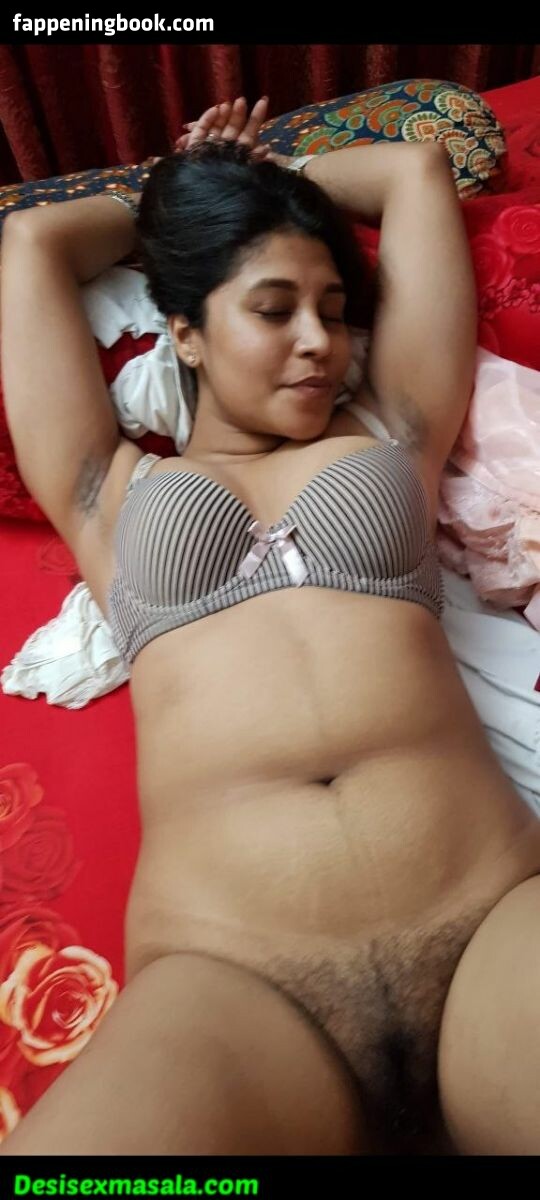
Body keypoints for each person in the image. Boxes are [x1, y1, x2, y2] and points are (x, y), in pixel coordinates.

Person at [1, 95, 540, 1157]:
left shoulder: (393, 433)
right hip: (235, 981)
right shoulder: (106, 492)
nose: (319, 343)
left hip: (489, 916)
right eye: (274, 308)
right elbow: (33, 241)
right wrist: (185, 191)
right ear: (186, 332)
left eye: (334, 308)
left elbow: (416, 171)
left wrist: (267, 167)